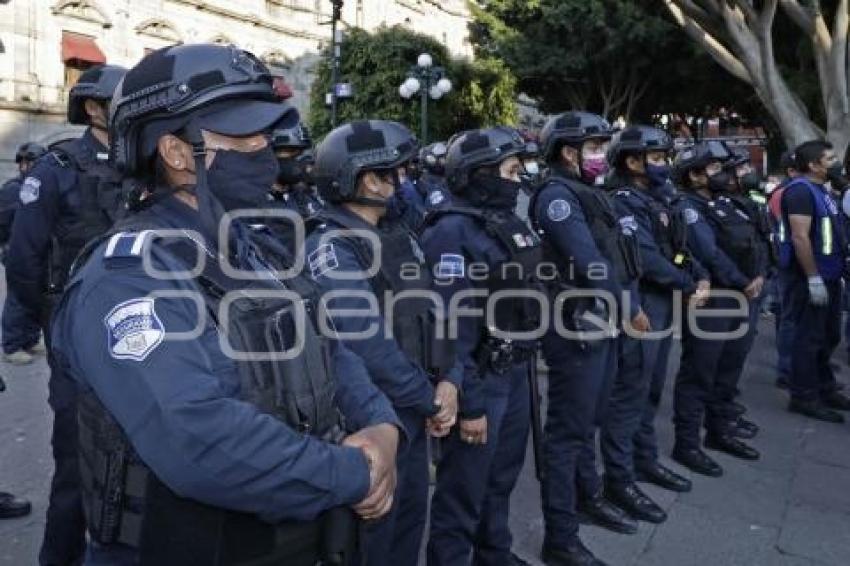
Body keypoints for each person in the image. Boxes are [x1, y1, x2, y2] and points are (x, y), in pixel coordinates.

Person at [51, 43, 402, 565]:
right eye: (244, 134)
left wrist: (382, 429)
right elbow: (197, 438)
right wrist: (354, 473)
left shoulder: (255, 248)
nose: (265, 149)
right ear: (175, 152)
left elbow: (331, 350)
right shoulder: (128, 277)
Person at [306, 119, 458, 565]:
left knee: (407, 532)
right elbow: (364, 341)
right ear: (368, 179)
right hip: (374, 419)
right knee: (374, 540)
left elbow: (437, 310)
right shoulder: (331, 244)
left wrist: (450, 379)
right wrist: (428, 397)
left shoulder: (398, 234)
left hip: (415, 411)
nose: (403, 182)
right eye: (395, 173)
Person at [4, 63, 127, 566]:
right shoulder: (58, 168)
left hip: (137, 327)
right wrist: (26, 328)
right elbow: (25, 255)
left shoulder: (144, 163)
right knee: (77, 461)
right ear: (95, 108)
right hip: (73, 329)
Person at [530, 112, 646, 566]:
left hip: (601, 322)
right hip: (575, 326)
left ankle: (586, 496)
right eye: (594, 147)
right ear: (568, 152)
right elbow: (588, 259)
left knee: (589, 423)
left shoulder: (589, 192)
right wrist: (629, 307)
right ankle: (560, 537)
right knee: (567, 432)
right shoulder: (557, 197)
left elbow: (616, 256)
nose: (601, 155)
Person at [420, 126, 540, 566]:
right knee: (462, 492)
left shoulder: (505, 221)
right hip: (480, 378)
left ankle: (493, 554)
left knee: (500, 480)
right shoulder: (451, 231)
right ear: (480, 174)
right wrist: (469, 403)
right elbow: (451, 323)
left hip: (514, 369)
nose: (517, 179)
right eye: (509, 171)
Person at [603, 125, 706, 524]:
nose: (665, 165)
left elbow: (675, 249)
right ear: (633, 162)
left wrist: (696, 274)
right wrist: (687, 282)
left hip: (663, 304)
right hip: (642, 304)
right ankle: (618, 477)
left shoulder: (657, 197)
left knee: (650, 389)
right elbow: (645, 258)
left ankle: (643, 460)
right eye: (658, 158)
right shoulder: (624, 201)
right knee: (630, 392)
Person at [670, 141, 763, 478]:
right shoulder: (688, 207)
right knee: (700, 372)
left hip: (741, 295)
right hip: (716, 299)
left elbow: (756, 239)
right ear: (694, 175)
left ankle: (720, 430)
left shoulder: (725, 203)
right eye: (713, 169)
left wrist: (758, 276)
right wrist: (742, 281)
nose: (722, 174)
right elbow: (708, 253)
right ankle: (687, 444)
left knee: (729, 368)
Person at [778, 140, 850, 422]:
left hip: (830, 275)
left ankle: (824, 387)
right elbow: (800, 237)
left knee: (828, 335)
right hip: (812, 277)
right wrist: (813, 278)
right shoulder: (800, 192)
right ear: (813, 165)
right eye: (829, 158)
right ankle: (804, 396)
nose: (835, 162)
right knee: (809, 338)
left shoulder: (824, 191)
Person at [1, 143, 47, 365]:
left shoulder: (39, 186)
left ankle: (29, 339)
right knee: (18, 298)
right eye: (29, 162)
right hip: (17, 252)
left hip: (36, 251)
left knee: (35, 296)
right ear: (23, 164)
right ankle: (11, 345)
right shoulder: (13, 189)